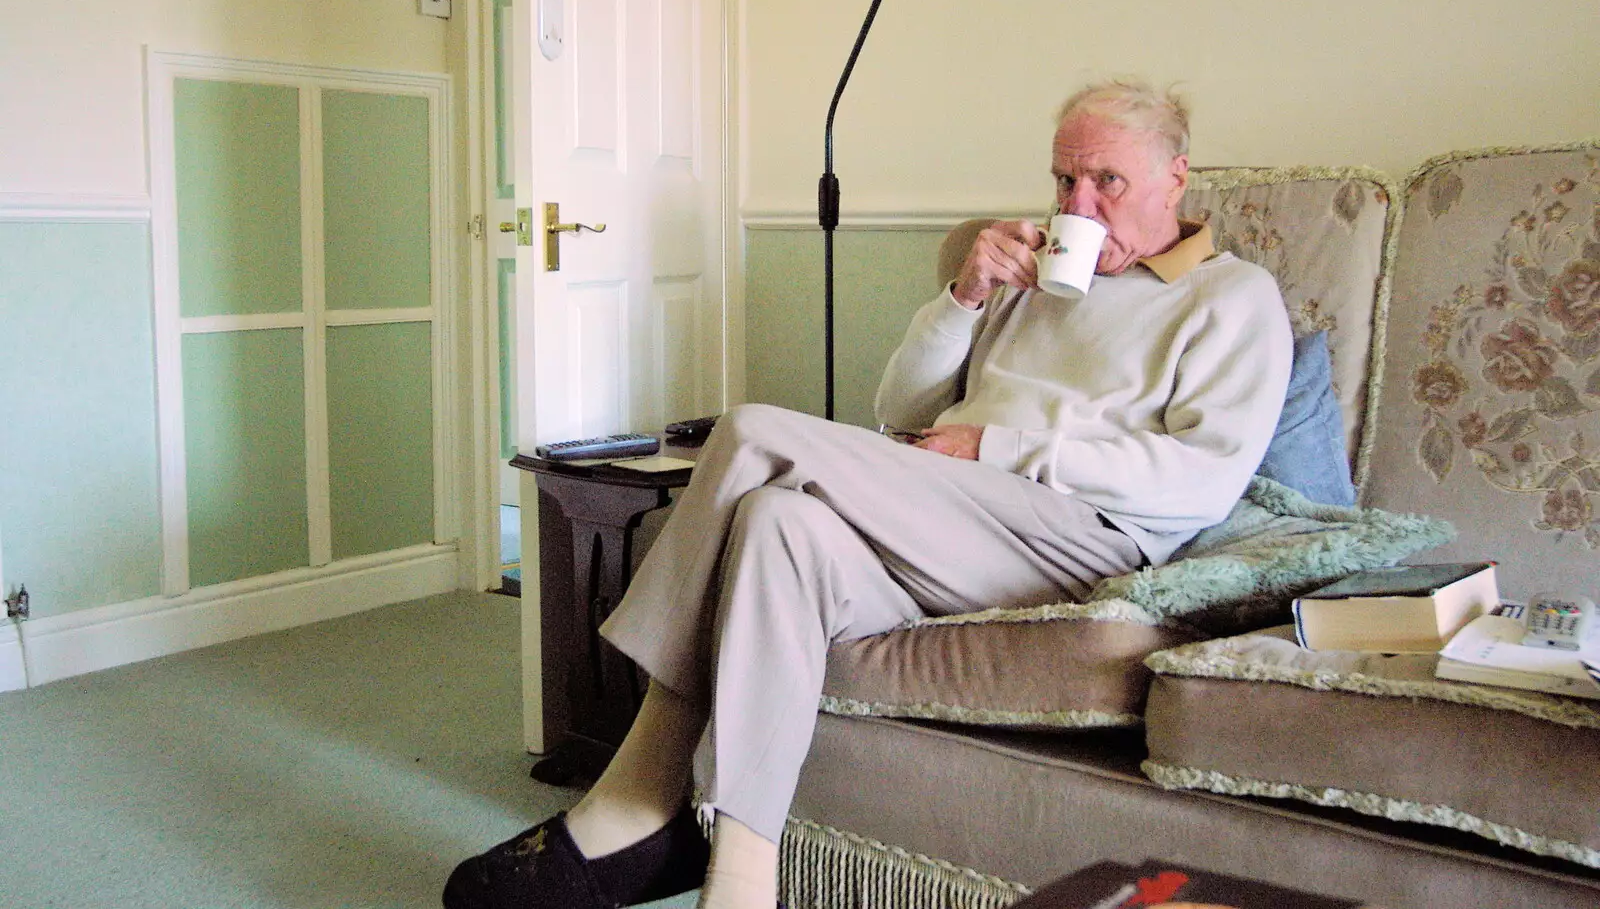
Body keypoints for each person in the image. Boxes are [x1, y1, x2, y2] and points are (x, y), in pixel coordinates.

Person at [442, 79, 1294, 909]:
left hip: (1081, 535)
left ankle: (640, 781)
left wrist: (998, 444)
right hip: (951, 513)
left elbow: (1202, 478)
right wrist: (964, 297)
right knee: (780, 523)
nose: (1080, 203)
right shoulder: (1031, 277)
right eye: (1064, 178)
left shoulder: (1232, 298)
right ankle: (740, 879)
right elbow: (901, 408)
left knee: (750, 432)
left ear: (1177, 177)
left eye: (1108, 179)